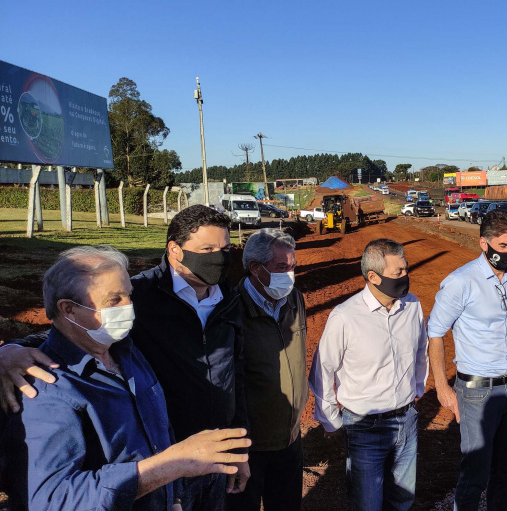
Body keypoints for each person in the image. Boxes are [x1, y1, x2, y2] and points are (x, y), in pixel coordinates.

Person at [0, 205, 249, 510]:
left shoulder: (128, 354)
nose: (128, 307)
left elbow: (235, 373)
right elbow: (52, 497)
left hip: (203, 461)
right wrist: (8, 351)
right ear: (175, 250)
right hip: (178, 462)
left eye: (224, 249)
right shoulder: (49, 386)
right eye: (208, 249)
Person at [309, 238, 428, 511]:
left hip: (407, 420)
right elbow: (323, 369)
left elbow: (421, 351)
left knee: (402, 500)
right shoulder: (345, 316)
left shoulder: (413, 306)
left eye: (406, 269)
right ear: (372, 276)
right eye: (398, 272)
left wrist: (416, 392)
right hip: (364, 428)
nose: (405, 276)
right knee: (367, 504)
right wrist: (330, 420)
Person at [428, 209, 507, 511]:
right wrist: (443, 388)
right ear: (484, 243)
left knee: (506, 472)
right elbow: (435, 333)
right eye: (502, 247)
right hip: (476, 392)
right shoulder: (461, 282)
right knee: (475, 475)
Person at [227, 229, 308, 511]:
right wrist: (237, 449)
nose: (289, 275)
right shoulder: (231, 310)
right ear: (255, 268)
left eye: (293, 267)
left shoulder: (295, 299)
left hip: (290, 439)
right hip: (249, 447)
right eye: (281, 268)